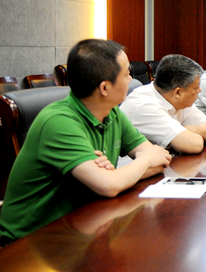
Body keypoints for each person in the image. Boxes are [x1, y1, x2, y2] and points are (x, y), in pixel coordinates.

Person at [0, 39, 172, 244]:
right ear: (105, 88)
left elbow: (160, 161)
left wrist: (115, 177)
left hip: (81, 228)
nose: (131, 79)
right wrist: (142, 162)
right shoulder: (58, 122)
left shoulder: (113, 113)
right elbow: (112, 184)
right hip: (28, 243)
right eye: (127, 73)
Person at [120, 54, 206, 154]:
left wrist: (188, 129)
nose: (199, 91)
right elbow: (194, 145)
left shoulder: (177, 100)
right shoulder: (145, 105)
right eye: (196, 88)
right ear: (178, 92)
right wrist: (190, 132)